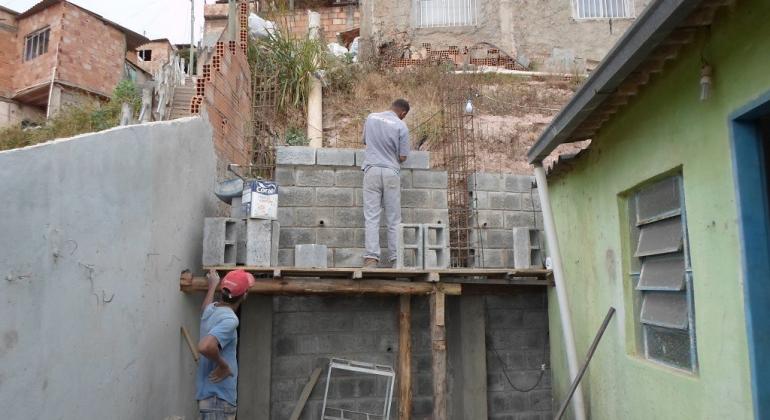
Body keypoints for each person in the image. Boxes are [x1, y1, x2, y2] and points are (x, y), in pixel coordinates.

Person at [196, 269, 254, 419]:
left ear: (222, 290)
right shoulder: (230, 319)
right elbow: (205, 346)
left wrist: (212, 286)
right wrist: (224, 366)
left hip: (211, 399)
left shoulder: (212, 310)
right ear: (245, 295)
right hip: (219, 399)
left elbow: (204, 310)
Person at [360, 99, 411, 268]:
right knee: (393, 218)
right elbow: (403, 157)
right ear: (403, 113)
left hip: (372, 170)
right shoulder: (401, 126)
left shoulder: (371, 117)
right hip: (390, 173)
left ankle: (371, 259)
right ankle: (396, 259)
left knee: (371, 216)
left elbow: (365, 141)